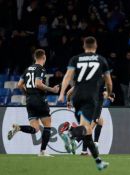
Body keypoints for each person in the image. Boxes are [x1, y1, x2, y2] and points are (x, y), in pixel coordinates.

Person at [58, 36, 112, 171]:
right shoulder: (101, 60)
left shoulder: (75, 58)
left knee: (87, 130)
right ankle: (70, 133)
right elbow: (109, 82)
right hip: (90, 97)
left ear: (84, 46)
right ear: (96, 46)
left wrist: (62, 94)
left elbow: (67, 77)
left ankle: (98, 162)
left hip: (76, 96)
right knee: (85, 128)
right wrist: (110, 93)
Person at [7, 49, 59, 156]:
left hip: (29, 101)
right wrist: (52, 90)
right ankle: (43, 151)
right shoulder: (41, 68)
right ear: (44, 57)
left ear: (35, 57)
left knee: (35, 129)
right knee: (47, 126)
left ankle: (19, 128)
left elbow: (19, 84)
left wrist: (27, 94)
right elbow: (38, 84)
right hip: (39, 99)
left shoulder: (27, 69)